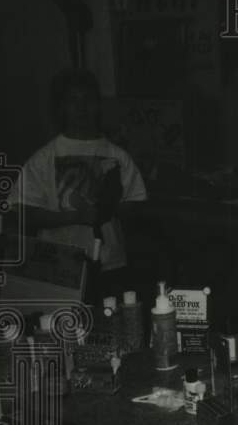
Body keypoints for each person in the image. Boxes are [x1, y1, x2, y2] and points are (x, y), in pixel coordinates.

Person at [8, 68, 147, 291]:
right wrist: (75, 216)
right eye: (73, 100)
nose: (81, 107)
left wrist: (110, 206)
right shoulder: (43, 158)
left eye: (87, 99)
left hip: (110, 264)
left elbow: (134, 203)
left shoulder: (118, 156)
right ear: (61, 107)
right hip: (59, 265)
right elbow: (23, 212)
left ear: (98, 104)